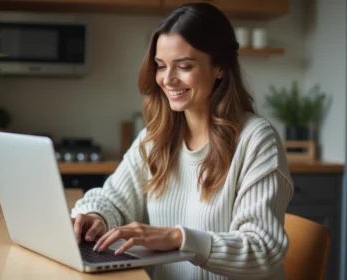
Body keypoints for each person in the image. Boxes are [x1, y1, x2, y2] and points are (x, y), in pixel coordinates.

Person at [71, 2, 294, 280]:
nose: (168, 79)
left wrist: (178, 238)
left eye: (184, 66)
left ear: (220, 67)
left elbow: (262, 249)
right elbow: (112, 200)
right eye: (161, 66)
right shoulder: (156, 139)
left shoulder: (257, 140)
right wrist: (96, 217)